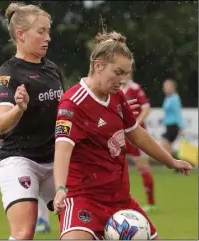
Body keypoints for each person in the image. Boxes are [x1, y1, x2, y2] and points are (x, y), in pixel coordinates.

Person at [52, 31, 192, 240]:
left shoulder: (116, 96)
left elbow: (136, 134)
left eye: (125, 74)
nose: (122, 80)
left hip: (119, 199)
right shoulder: (73, 103)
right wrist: (61, 188)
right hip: (83, 198)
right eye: (117, 72)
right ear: (98, 65)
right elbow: (62, 149)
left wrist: (170, 161)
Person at [0, 3, 64, 240]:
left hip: (54, 161)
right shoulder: (7, 74)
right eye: (41, 31)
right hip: (19, 160)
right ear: (21, 34)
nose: (48, 38)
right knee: (24, 233)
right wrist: (19, 109)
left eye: (48, 31)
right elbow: (2, 123)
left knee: (83, 220)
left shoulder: (52, 70)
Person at [0, 131, 51, 234]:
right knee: (23, 232)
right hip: (21, 157)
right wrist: (0, 131)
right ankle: (41, 219)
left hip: (49, 152)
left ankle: (42, 219)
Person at [120, 74, 156, 212]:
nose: (125, 74)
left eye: (127, 71)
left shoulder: (135, 88)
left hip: (135, 134)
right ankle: (119, 201)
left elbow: (146, 108)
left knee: (142, 166)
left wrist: (136, 123)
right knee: (117, 167)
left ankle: (151, 203)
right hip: (121, 134)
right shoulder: (116, 89)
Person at [160, 79, 184, 156]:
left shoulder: (175, 98)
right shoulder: (167, 98)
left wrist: (181, 127)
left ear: (172, 87)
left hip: (173, 125)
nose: (164, 88)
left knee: (164, 143)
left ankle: (174, 162)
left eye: (166, 86)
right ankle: (176, 163)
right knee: (168, 146)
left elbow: (178, 113)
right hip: (168, 125)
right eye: (164, 87)